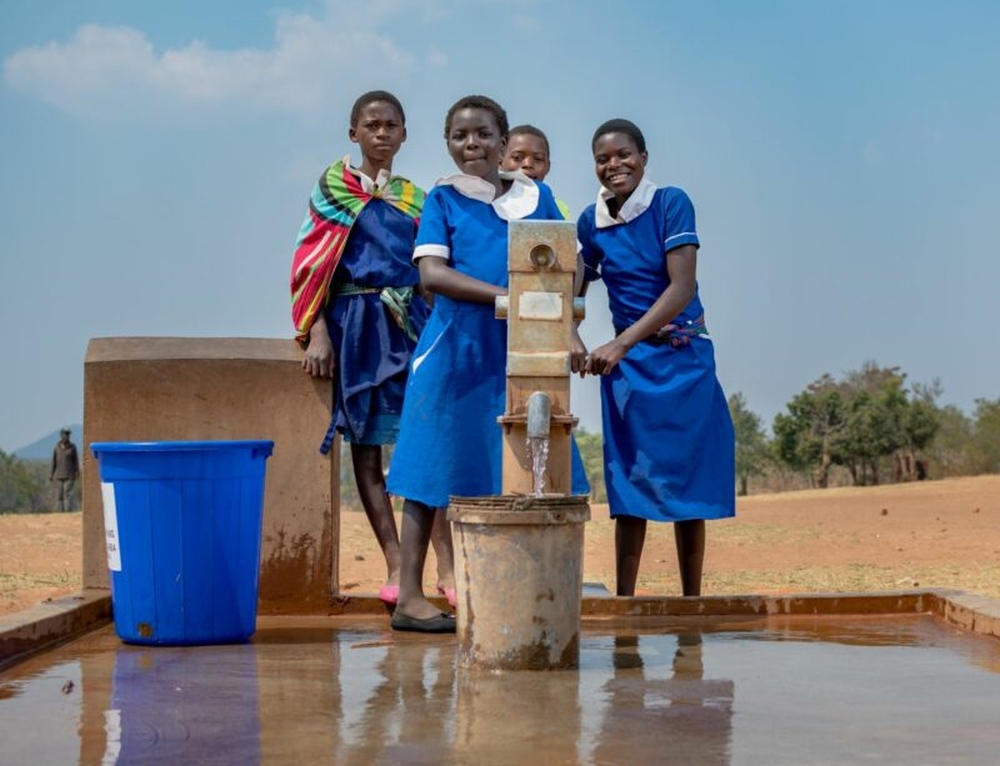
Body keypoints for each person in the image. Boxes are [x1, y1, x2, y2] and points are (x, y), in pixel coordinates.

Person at [386, 95, 590, 633]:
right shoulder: (444, 199)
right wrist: (509, 296)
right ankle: (409, 594)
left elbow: (569, 261)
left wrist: (562, 312)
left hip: (518, 352)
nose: (470, 144)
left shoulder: (537, 196)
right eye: (459, 136)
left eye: (482, 134)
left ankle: (511, 589)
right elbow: (432, 274)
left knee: (520, 464)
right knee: (431, 468)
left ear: (504, 142)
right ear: (448, 144)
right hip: (455, 350)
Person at [290, 89, 454, 607]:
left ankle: (447, 566)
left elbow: (435, 267)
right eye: (372, 125)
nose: (381, 133)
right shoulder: (331, 191)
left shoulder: (417, 199)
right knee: (366, 450)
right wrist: (316, 331)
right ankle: (393, 560)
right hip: (353, 329)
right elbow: (311, 265)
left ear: (405, 135)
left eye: (391, 126)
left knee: (426, 446)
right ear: (353, 133)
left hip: (410, 326)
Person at [576, 118, 735, 597]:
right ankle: (626, 602)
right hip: (629, 370)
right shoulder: (592, 221)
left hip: (682, 358)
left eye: (624, 154)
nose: (614, 165)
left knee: (689, 486)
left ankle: (692, 602)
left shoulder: (670, 203)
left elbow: (681, 287)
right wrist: (570, 333)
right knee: (629, 483)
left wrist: (620, 343)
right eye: (603, 159)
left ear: (644, 158)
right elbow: (573, 288)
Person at [500, 124, 571, 219]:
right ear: (500, 160)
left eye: (538, 159)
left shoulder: (559, 207)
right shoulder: (487, 199)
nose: (528, 164)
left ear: (548, 167)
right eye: (517, 157)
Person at [50, 428, 79, 511]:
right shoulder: (56, 448)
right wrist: (51, 474)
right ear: (61, 435)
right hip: (59, 475)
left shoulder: (73, 447)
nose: (67, 436)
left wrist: (77, 472)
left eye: (68, 434)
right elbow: (53, 462)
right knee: (59, 495)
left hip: (70, 475)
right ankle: (60, 512)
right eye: (65, 434)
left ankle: (68, 512)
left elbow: (76, 461)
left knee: (67, 493)